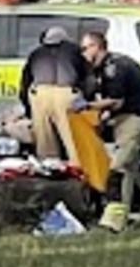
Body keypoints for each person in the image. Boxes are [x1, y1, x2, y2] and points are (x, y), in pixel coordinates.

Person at [81, 30, 140, 232]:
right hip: (129, 117)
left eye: (84, 48)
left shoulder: (113, 67)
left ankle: (114, 222)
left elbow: (116, 101)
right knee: (133, 170)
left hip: (136, 118)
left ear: (96, 47)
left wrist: (87, 106)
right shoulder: (105, 66)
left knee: (119, 168)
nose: (82, 53)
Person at [20, 25, 89, 164]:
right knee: (71, 134)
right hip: (66, 93)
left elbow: (25, 81)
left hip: (40, 93)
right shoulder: (73, 51)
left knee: (44, 136)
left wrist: (27, 106)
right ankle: (77, 166)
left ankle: (48, 165)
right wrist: (87, 97)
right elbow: (87, 76)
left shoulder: (36, 53)